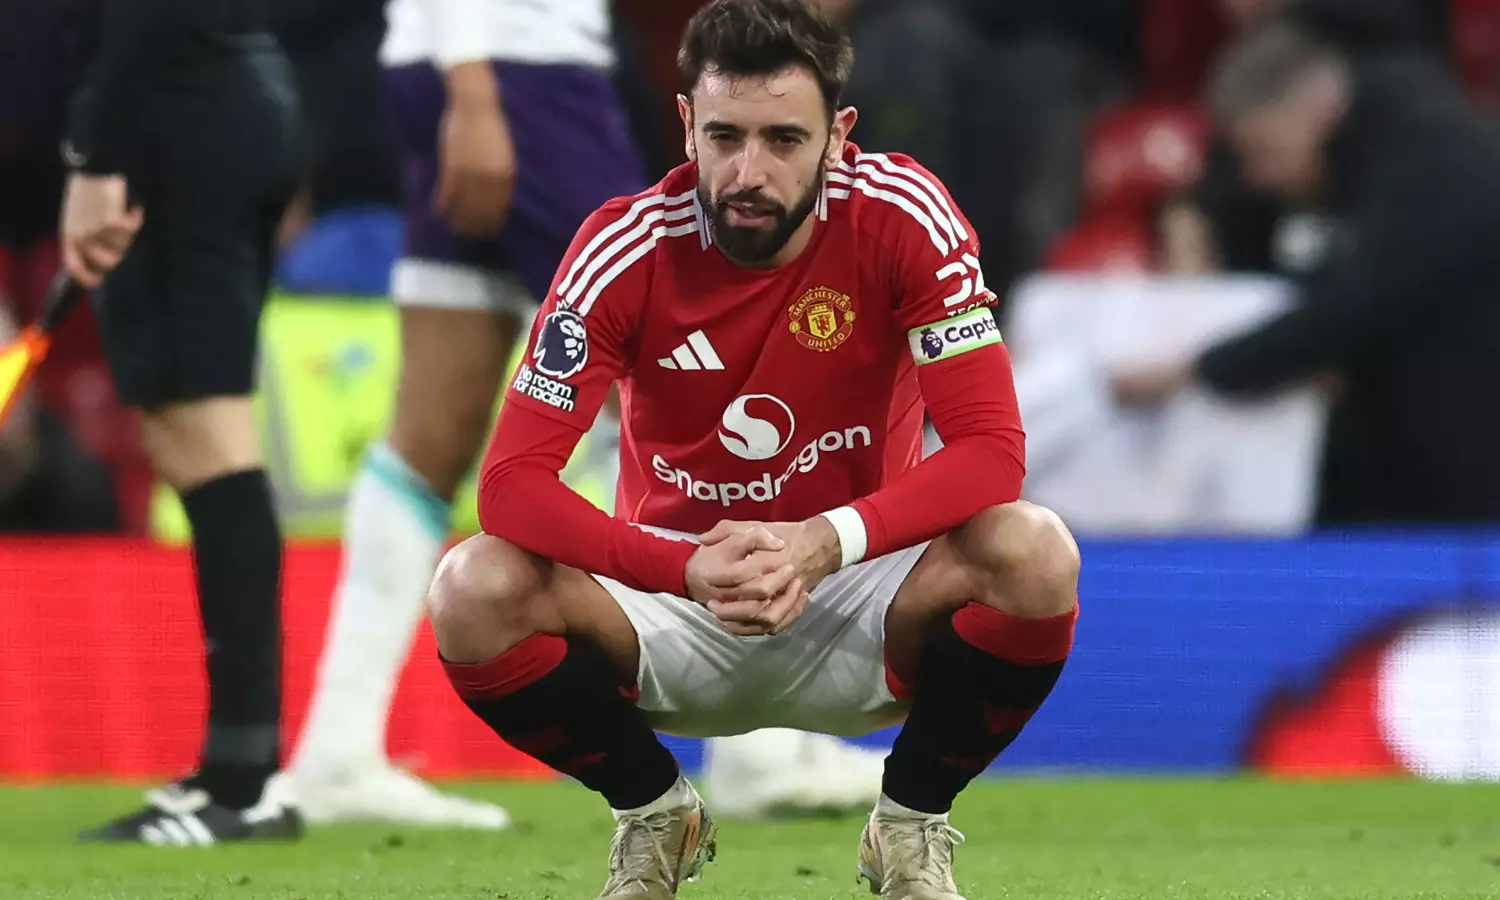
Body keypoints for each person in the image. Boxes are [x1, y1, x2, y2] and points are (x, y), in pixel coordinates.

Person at [425, 0, 1082, 896]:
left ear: (838, 137)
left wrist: (822, 542)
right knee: (471, 588)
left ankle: (909, 826)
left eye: (783, 140)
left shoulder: (902, 216)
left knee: (1035, 552)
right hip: (674, 598)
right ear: (687, 125)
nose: (748, 172)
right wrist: (681, 566)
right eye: (725, 136)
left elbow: (992, 451)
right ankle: (654, 812)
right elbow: (510, 485)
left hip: (859, 589)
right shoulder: (624, 247)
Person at [286, 0, 886, 829]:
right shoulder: (500, 75)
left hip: (441, 66)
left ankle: (336, 751)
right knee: (684, 380)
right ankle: (762, 748)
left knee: (431, 428)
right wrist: (476, 87)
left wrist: (461, 79)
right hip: (521, 68)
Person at [59, 0, 304, 844]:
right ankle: (239, 771)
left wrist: (99, 159)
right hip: (221, 94)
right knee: (186, 427)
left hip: (175, 111)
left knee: (207, 432)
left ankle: (242, 784)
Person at [1113, 22, 1500, 524]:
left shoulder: (1435, 153)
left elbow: (1354, 307)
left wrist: (1196, 370)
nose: (1258, 176)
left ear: (1315, 110)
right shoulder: (1363, 154)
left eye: (1263, 151)